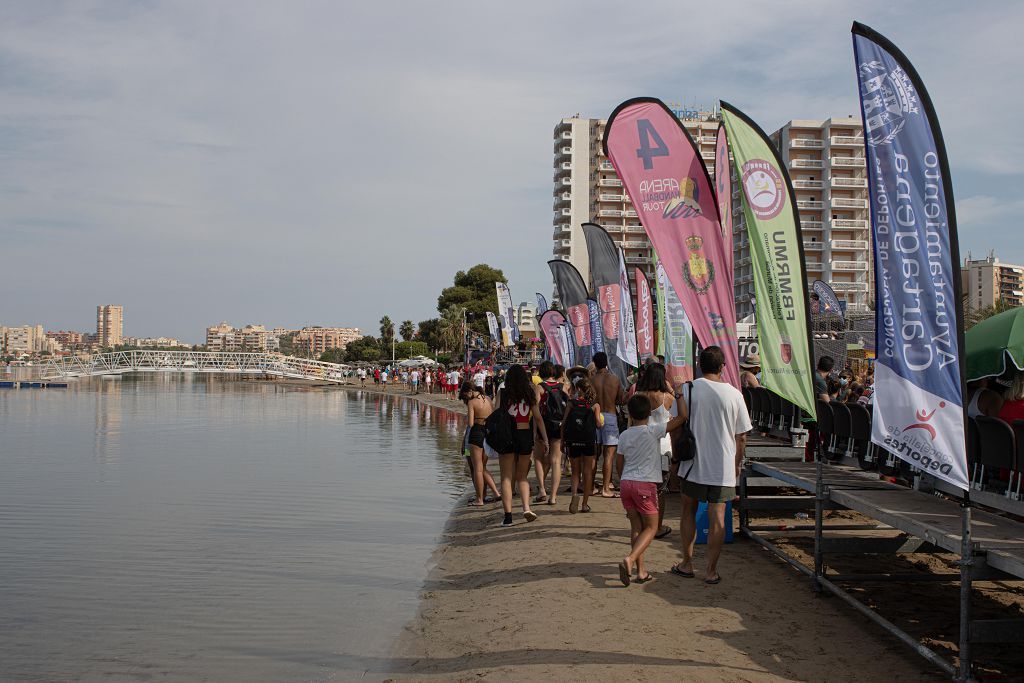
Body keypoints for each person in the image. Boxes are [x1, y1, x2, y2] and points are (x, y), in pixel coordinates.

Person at [671, 346, 751, 586]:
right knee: (717, 517)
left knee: (688, 511)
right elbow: (742, 436)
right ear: (722, 367)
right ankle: (711, 570)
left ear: (699, 365)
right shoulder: (735, 394)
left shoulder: (687, 390)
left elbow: (675, 427)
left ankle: (686, 563)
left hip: (692, 463)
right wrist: (737, 464)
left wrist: (675, 459)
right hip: (723, 465)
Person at [616, 393, 690, 585]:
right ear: (649, 413)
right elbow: (682, 417)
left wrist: (623, 477)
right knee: (652, 527)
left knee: (636, 527)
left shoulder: (624, 434)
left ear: (630, 414)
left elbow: (619, 463)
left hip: (626, 484)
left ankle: (641, 571)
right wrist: (680, 395)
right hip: (645, 484)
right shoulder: (654, 430)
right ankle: (630, 559)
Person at [495, 364, 548, 527]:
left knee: (506, 476)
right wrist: (545, 439)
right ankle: (526, 507)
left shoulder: (503, 393)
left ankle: (508, 516)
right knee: (522, 476)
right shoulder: (529, 393)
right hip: (524, 434)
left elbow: (496, 414)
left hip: (508, 435)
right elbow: (538, 418)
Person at [633, 362, 675, 540]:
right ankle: (657, 526)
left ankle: (643, 524)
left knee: (643, 486)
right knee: (660, 489)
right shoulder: (667, 398)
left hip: (642, 445)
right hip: (663, 447)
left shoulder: (638, 396)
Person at [562, 375, 603, 514]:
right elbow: (598, 424)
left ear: (578, 389)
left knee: (575, 472)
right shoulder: (594, 405)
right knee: (587, 472)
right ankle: (585, 504)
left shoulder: (571, 403)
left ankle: (574, 496)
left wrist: (563, 441)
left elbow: (564, 423)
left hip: (573, 441)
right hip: (588, 441)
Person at [460, 381, 502, 506]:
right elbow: (494, 415)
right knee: (483, 467)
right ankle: (495, 493)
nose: (466, 398)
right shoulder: (488, 398)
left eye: (466, 395)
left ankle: (479, 499)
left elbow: (471, 423)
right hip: (488, 432)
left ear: (469, 391)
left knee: (477, 468)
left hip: (476, 432)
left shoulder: (473, 402)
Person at [591, 352, 626, 498]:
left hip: (594, 416)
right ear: (606, 362)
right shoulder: (615, 379)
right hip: (610, 416)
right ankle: (606, 488)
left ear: (595, 363)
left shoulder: (591, 380)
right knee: (609, 455)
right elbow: (621, 399)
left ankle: (591, 486)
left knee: (593, 454)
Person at [534, 361, 568, 505]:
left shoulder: (539, 388)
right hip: (559, 425)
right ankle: (553, 496)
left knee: (539, 458)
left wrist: (535, 430)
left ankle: (542, 489)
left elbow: (535, 410)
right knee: (556, 461)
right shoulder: (563, 387)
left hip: (544, 425)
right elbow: (569, 405)